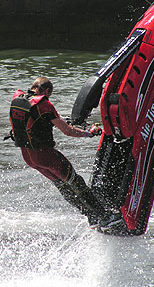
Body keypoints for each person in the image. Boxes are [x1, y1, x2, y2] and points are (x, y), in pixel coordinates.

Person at [8, 76, 122, 230]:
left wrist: (61, 119)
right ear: (47, 91)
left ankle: (92, 217)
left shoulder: (18, 99)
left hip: (29, 158)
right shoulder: (44, 104)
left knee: (63, 186)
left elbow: (36, 121)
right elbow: (67, 131)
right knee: (76, 182)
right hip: (46, 156)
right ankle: (105, 217)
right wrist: (89, 133)